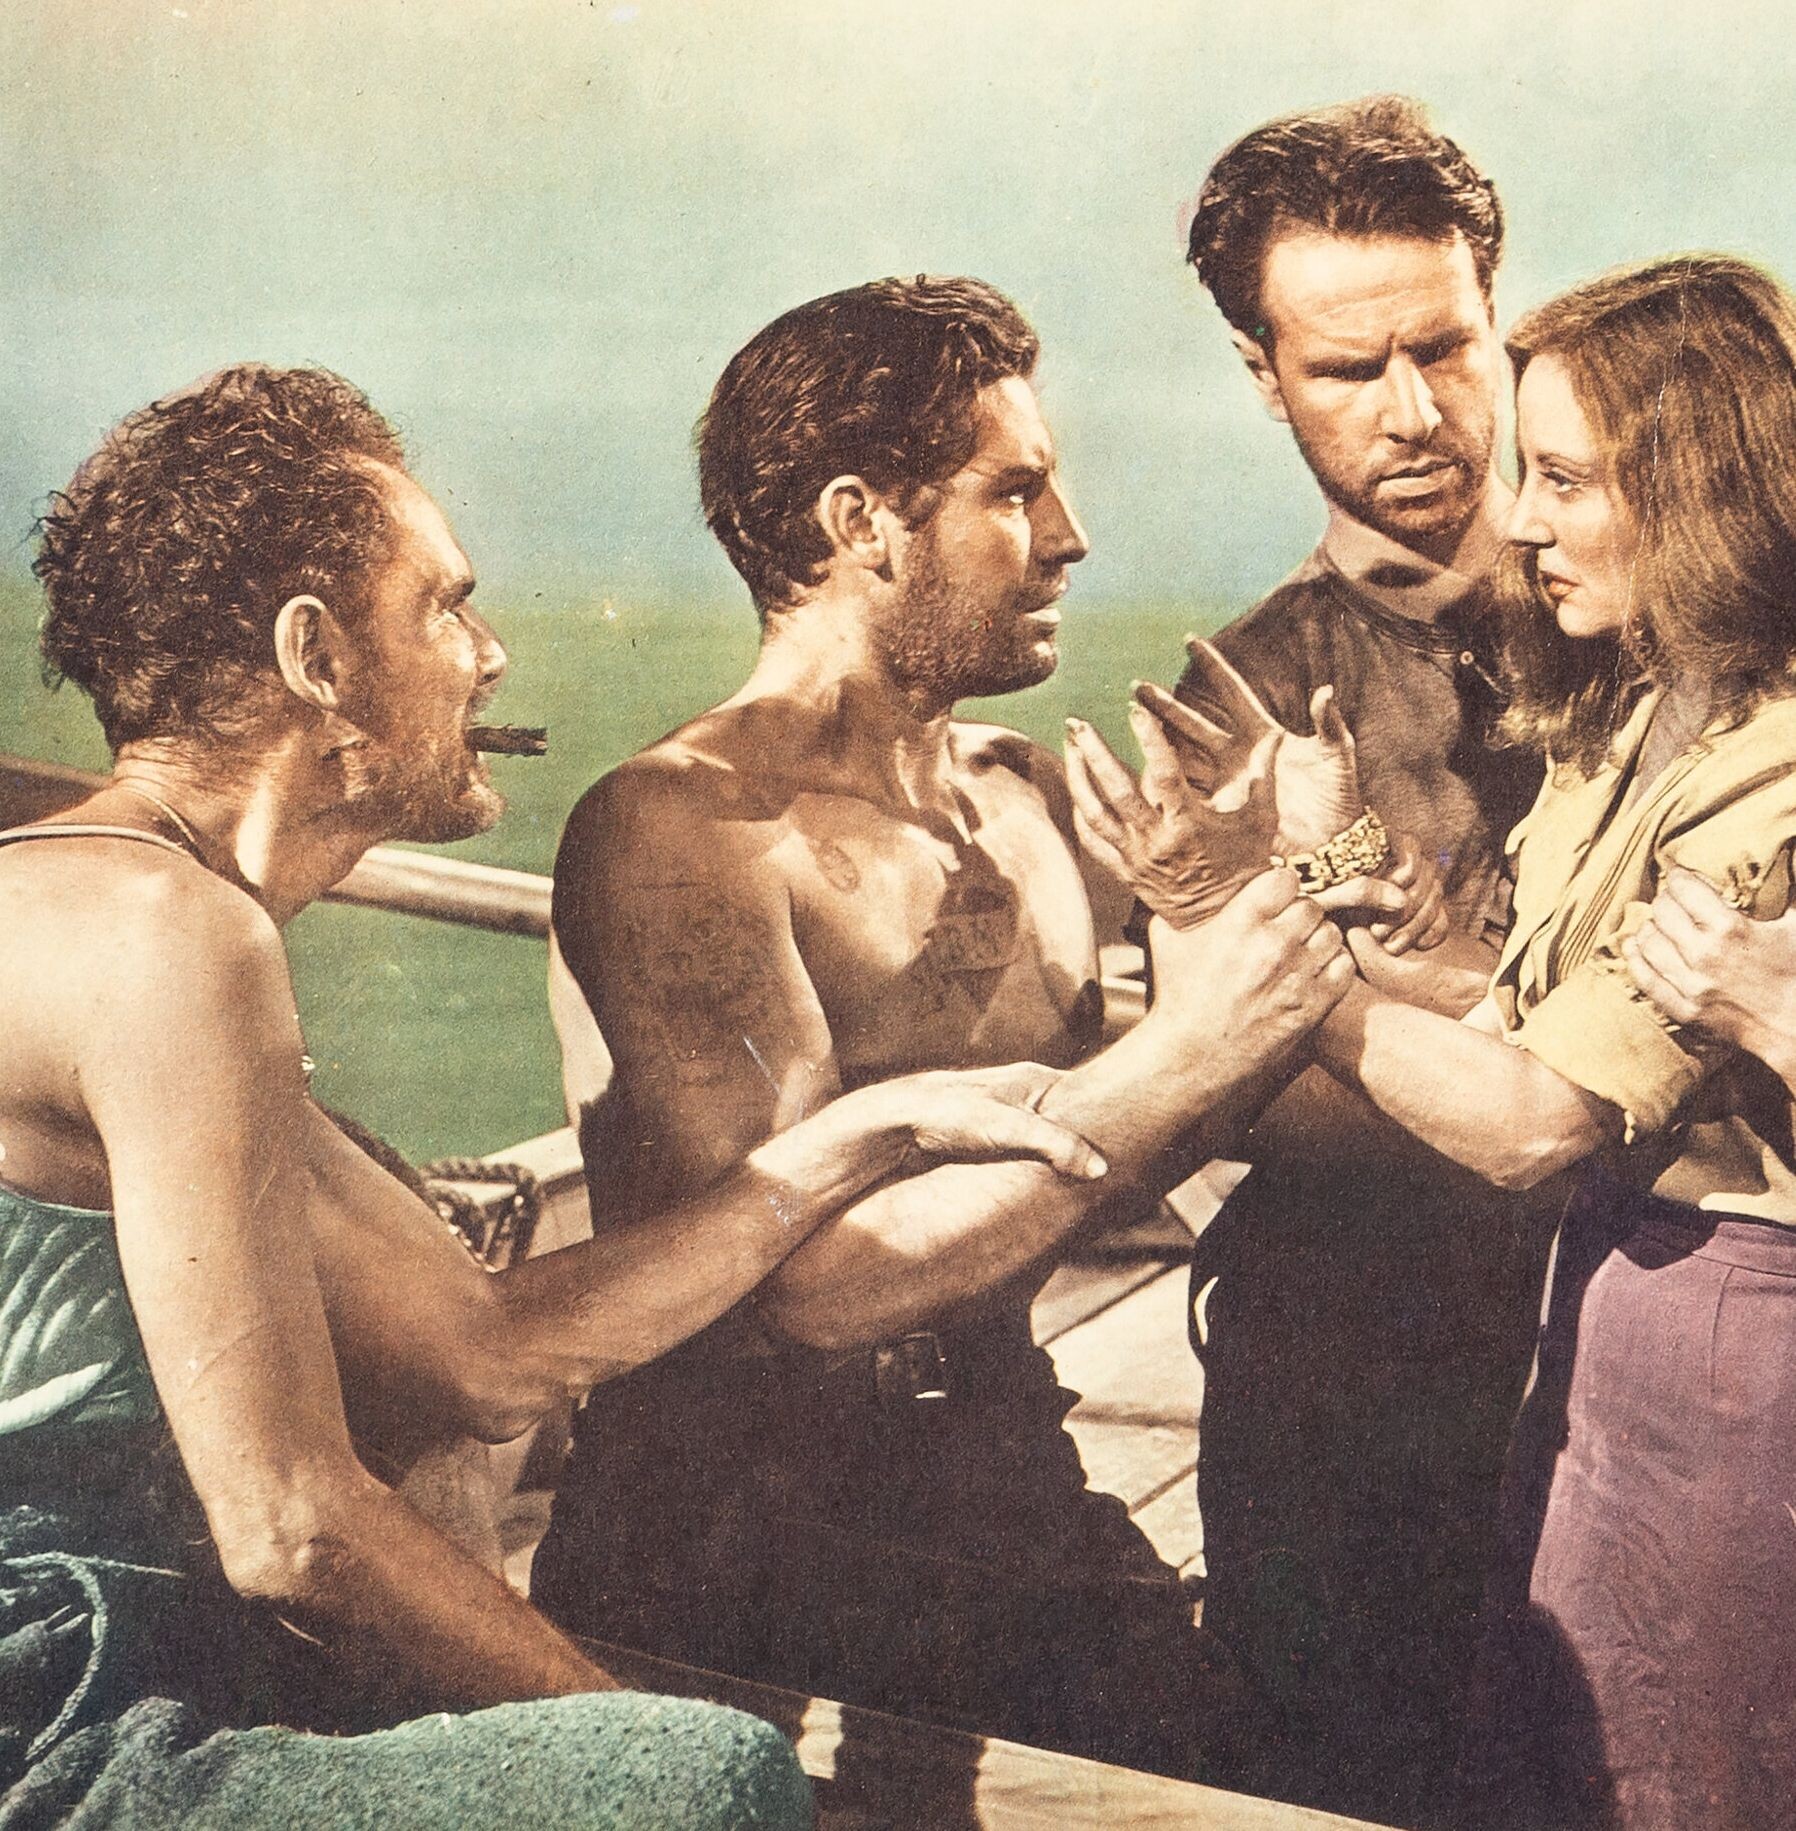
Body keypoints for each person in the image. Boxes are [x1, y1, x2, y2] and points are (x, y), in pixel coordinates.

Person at [0, 362, 1123, 1826]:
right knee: (709, 1774)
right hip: (60, 1702)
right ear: (315, 656)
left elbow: (486, 1354)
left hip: (131, 1648)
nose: (490, 656)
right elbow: (289, 1525)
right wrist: (639, 1735)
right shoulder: (171, 937)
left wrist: (860, 1137)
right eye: (444, 609)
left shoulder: (114, 903)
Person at [534, 276, 1363, 1779]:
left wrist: (1287, 880)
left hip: (995, 1450)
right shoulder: (683, 831)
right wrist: (1197, 1040)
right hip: (727, 1528)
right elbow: (817, 1288)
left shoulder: (1020, 797)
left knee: (1252, 1771)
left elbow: (1224, 1073)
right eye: (1017, 492)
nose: (1071, 535)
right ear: (863, 523)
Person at [1099, 254, 1796, 1830]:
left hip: (1718, 1344)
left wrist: (1262, 949)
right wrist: (1324, 866)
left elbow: (1536, 1116)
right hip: (1592, 1335)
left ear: (1698, 491)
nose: (1518, 517)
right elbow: (1499, 998)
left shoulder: (1760, 752)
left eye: (1564, 480)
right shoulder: (1647, 709)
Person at [1165, 94, 1555, 1821]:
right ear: (1263, 374)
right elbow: (1229, 1085)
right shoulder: (1242, 709)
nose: (1414, 413)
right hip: (1358, 1391)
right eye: (1344, 369)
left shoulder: (1683, 623)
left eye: (1445, 348)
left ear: (1496, 314)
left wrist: (1350, 962)